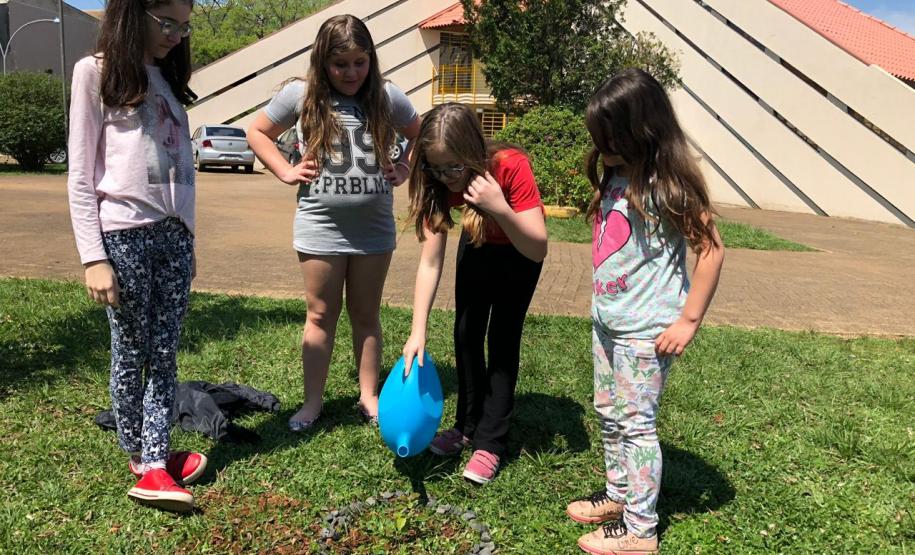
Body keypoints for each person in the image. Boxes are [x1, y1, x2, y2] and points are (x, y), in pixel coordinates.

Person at [565, 68, 725, 555]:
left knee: (636, 426)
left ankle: (640, 530)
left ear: (643, 130)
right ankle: (619, 495)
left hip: (646, 331)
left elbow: (711, 249)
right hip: (608, 322)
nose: (602, 147)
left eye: (610, 138)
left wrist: (688, 320)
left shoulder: (668, 185)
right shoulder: (617, 173)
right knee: (608, 413)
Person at [247, 14, 421, 430]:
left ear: (371, 59)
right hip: (320, 225)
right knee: (320, 314)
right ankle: (312, 403)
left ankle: (368, 396)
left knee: (366, 314)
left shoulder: (386, 95)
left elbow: (420, 131)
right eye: (340, 64)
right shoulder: (301, 95)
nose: (351, 73)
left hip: (374, 230)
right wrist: (285, 170)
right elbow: (257, 132)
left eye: (360, 62)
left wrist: (405, 166)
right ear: (322, 61)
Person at [67, 0, 206, 513]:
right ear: (133, 13)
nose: (176, 35)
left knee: (164, 351)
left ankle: (151, 454)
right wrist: (93, 257)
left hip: (174, 238)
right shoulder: (95, 73)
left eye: (183, 26)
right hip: (124, 236)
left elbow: (180, 171)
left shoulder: (168, 81)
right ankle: (145, 460)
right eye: (166, 23)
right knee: (132, 350)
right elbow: (81, 175)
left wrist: (189, 237)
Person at [401, 102, 548, 484]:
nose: (447, 177)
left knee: (502, 339)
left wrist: (498, 206)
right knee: (466, 334)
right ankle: (466, 426)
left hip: (519, 248)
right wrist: (418, 330)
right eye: (436, 168)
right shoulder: (435, 179)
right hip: (478, 243)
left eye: (454, 167)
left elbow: (537, 247)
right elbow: (430, 261)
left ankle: (490, 442)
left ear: (472, 154)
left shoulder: (511, 165)